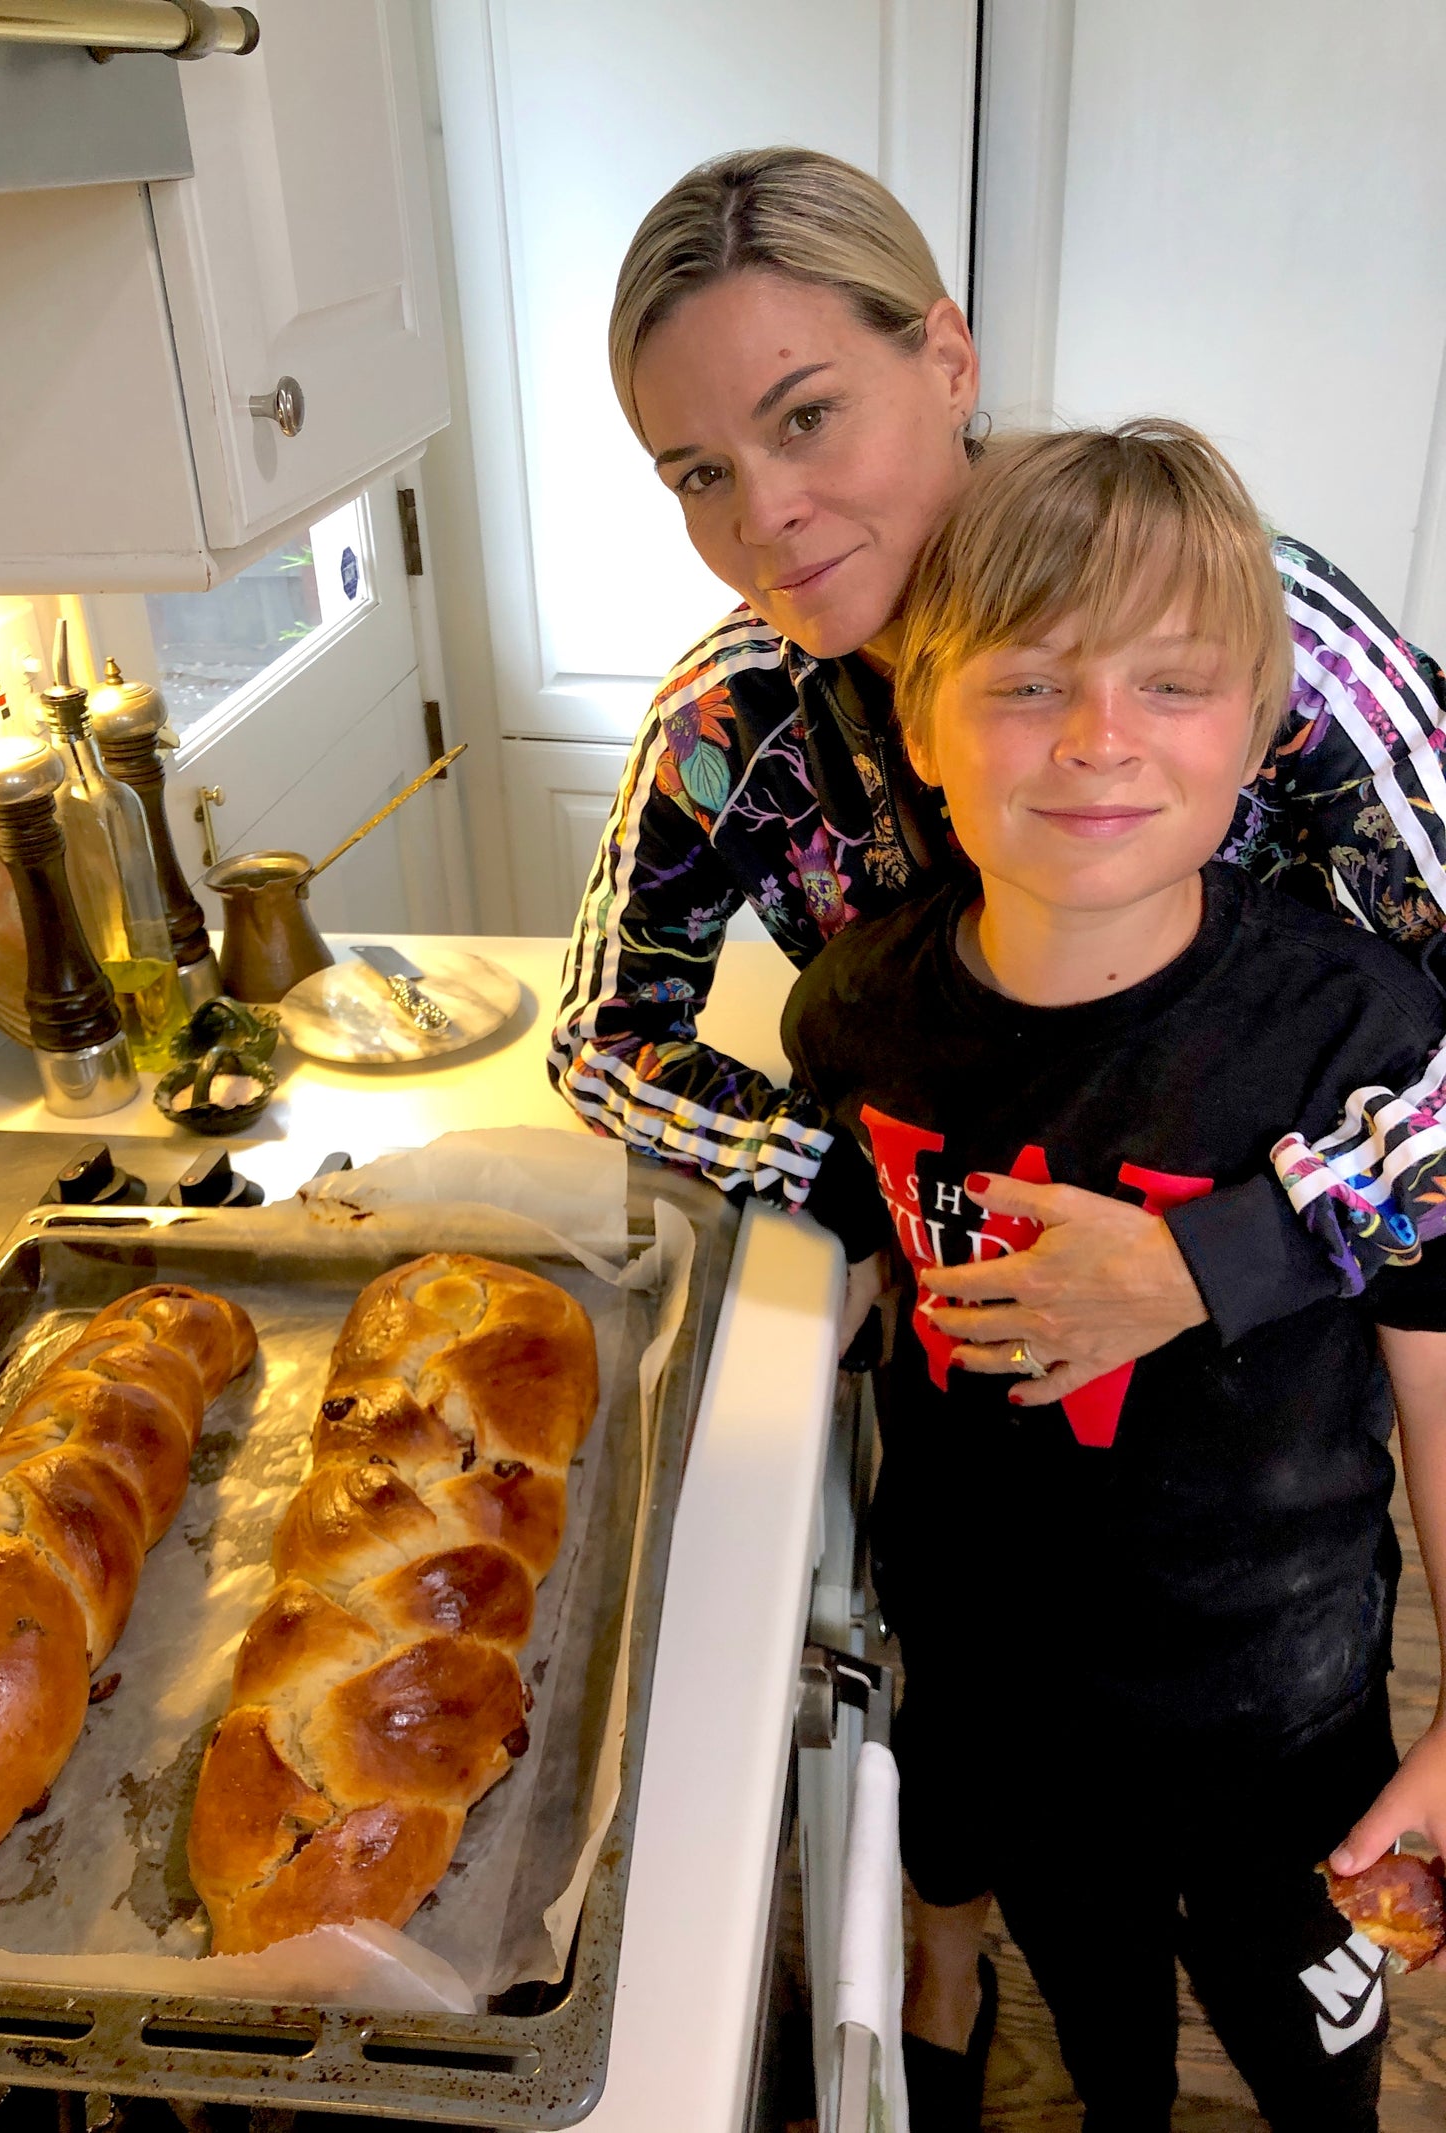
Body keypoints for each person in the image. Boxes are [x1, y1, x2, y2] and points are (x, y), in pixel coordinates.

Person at [547, 145, 1446, 2105]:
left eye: (806, 417)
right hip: (995, 1496)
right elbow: (599, 1033)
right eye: (697, 471)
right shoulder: (734, 717)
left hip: (1269, 1481)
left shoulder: (1248, 631)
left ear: (939, 353)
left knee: (1299, 1970)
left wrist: (1216, 1255)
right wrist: (853, 1187)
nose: (764, 512)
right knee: (1041, 1866)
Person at [781, 419, 1446, 2131]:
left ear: (1258, 732)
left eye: (1171, 684)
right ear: (923, 722)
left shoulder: (1356, 1037)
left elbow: (1445, 1391)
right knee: (1100, 2051)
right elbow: (858, 1243)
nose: (1096, 743)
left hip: (1286, 1713)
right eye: (1027, 685)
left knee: (1319, 2074)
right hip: (1006, 1698)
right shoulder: (854, 1009)